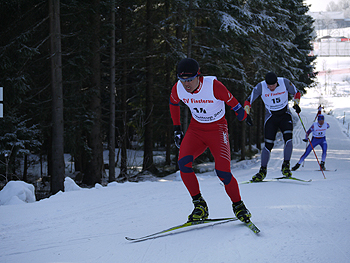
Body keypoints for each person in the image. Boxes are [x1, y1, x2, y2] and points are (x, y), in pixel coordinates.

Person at [169, 58, 253, 223]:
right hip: (196, 129)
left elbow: (233, 103)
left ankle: (239, 206)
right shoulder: (178, 88)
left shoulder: (214, 86)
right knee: (183, 164)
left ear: (198, 75)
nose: (186, 84)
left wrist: (244, 115)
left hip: (217, 129)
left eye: (189, 79)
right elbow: (173, 103)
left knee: (223, 172)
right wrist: (177, 129)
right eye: (182, 80)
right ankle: (199, 205)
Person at [244, 72, 301, 182]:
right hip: (271, 118)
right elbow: (248, 100)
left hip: (285, 115)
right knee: (268, 145)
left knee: (288, 140)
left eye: (273, 85)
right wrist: (247, 113)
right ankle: (262, 170)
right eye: (268, 86)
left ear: (277, 83)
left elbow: (296, 92)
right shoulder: (261, 86)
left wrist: (296, 104)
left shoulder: (284, 82)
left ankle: (285, 166)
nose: (271, 88)